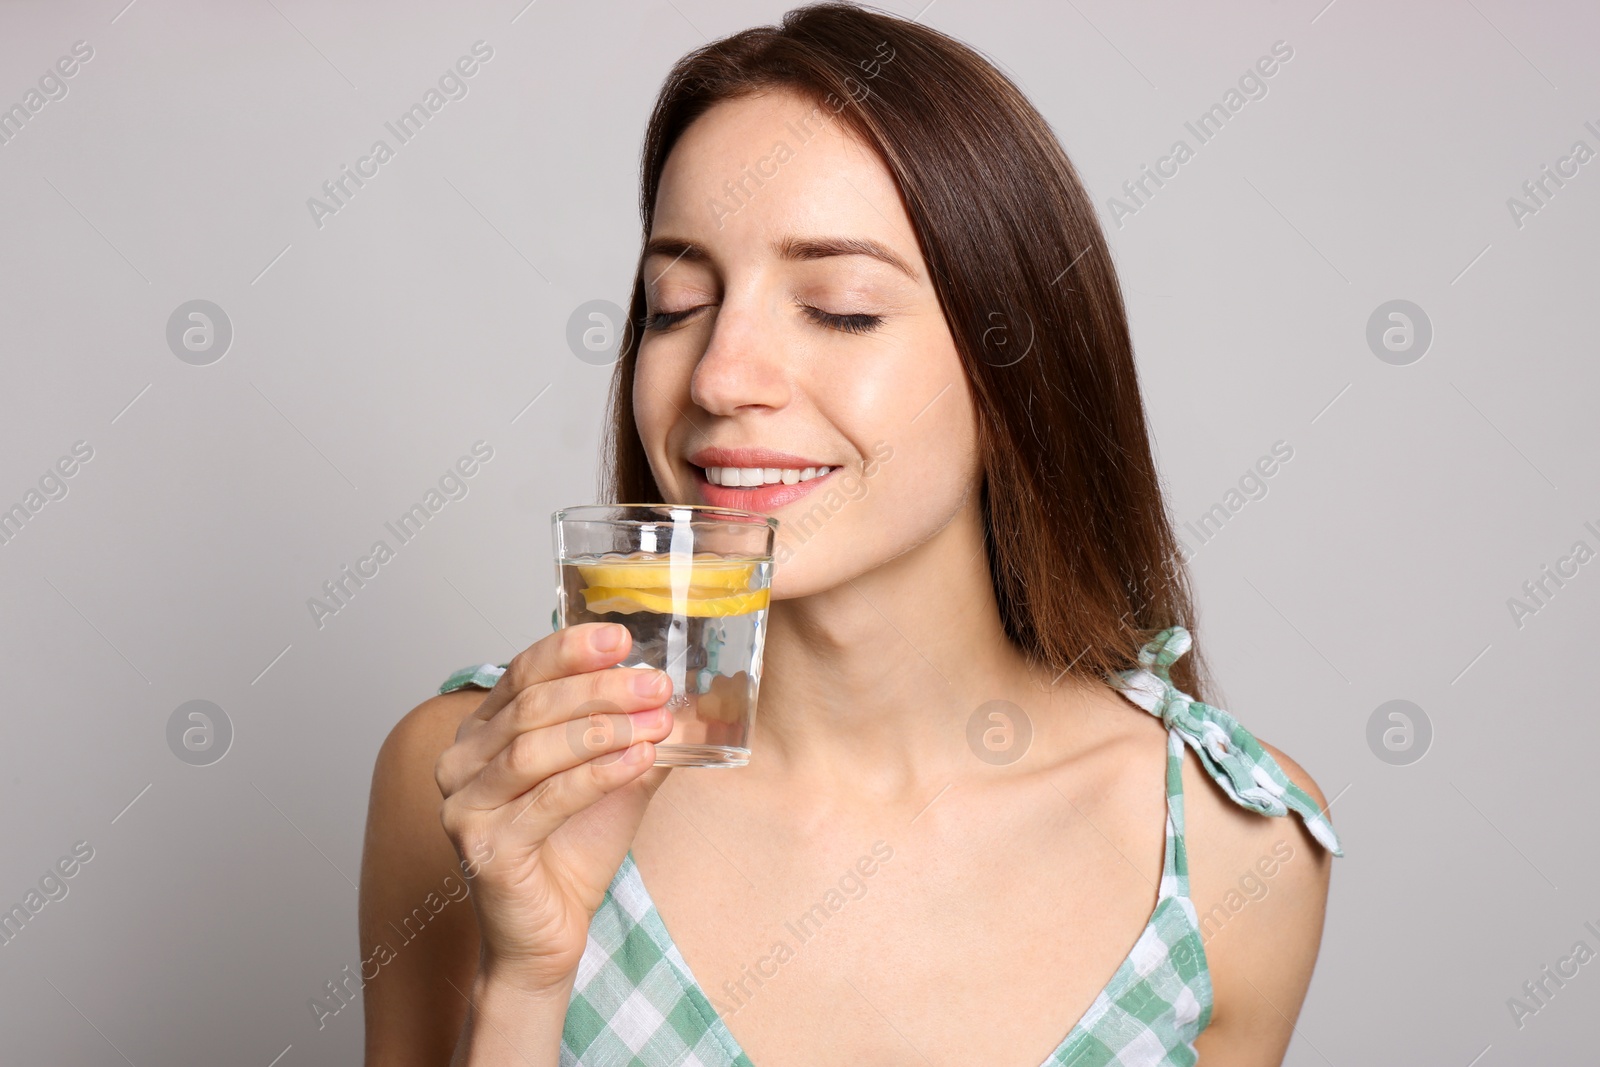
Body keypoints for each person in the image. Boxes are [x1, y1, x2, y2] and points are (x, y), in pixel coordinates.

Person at [359, 4, 1343, 1064]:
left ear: (1014, 368)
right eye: (677, 303)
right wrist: (527, 981)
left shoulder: (1234, 847)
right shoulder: (480, 782)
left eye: (837, 308)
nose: (719, 376)